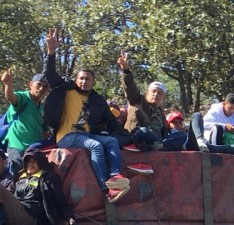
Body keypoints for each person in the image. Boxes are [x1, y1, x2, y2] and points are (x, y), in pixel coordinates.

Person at [42, 28, 130, 202]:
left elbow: (112, 122)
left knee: (111, 141)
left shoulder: (97, 100)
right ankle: (107, 188)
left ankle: (115, 177)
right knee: (96, 145)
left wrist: (130, 137)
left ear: (93, 82)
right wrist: (51, 52)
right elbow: (49, 75)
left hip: (86, 135)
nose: (83, 81)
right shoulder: (65, 90)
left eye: (87, 79)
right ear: (76, 80)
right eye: (81, 78)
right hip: (66, 136)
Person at [117, 52, 186, 152]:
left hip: (158, 141)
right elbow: (130, 87)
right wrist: (125, 70)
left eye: (159, 93)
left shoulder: (161, 114)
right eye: (153, 92)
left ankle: (160, 146)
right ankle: (161, 147)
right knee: (143, 131)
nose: (156, 94)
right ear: (146, 94)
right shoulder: (137, 101)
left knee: (182, 135)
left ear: (163, 98)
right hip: (139, 137)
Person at [0, 148, 74, 225]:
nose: (30, 164)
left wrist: (69, 219)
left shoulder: (48, 178)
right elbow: (7, 196)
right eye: (28, 161)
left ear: (41, 163)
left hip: (31, 218)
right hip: (13, 215)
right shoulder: (19, 178)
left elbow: (60, 201)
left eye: (34, 161)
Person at [1, 69, 50, 177]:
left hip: (32, 150)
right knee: (17, 176)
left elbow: (44, 130)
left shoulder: (42, 107)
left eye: (45, 87)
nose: (42, 88)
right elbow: (11, 97)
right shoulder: (23, 97)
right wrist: (8, 85)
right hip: (17, 146)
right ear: (31, 84)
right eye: (39, 85)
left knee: (28, 179)